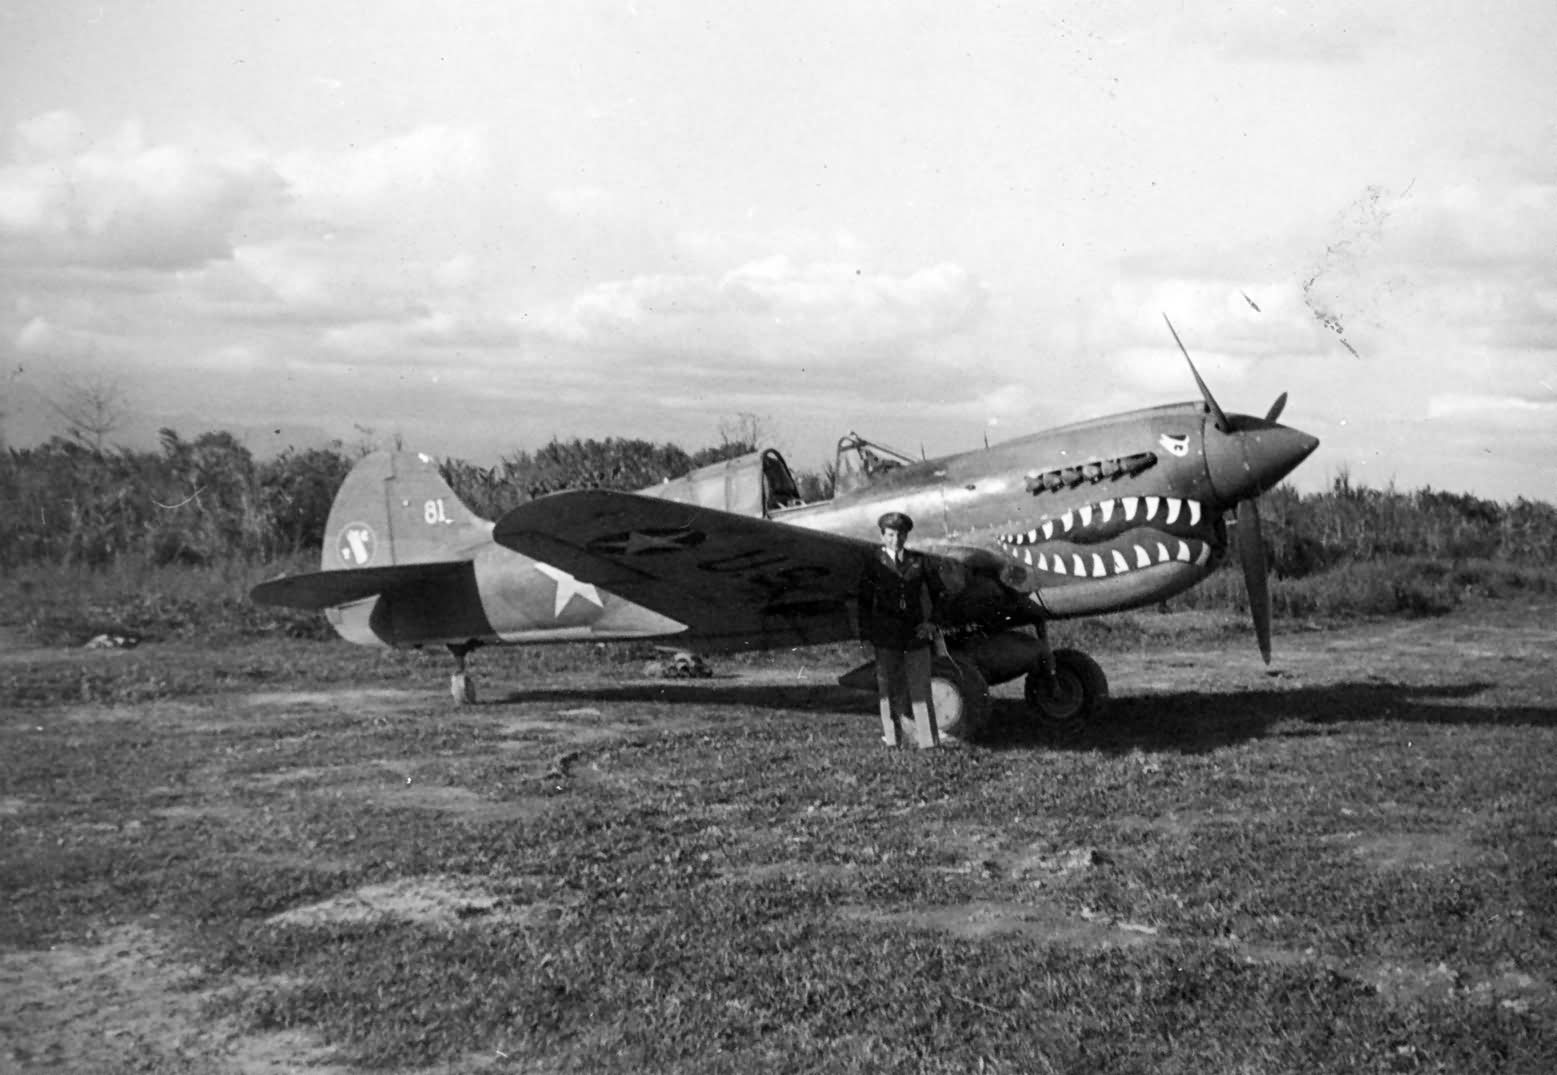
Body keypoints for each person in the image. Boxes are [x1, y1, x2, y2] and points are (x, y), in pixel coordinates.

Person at [857, 511, 946, 748]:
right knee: (888, 690)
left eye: (900, 534)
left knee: (921, 688)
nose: (895, 540)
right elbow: (863, 602)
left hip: (915, 634)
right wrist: (866, 636)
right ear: (882, 535)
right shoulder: (873, 563)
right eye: (890, 534)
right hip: (886, 636)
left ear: (906, 536)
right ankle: (892, 740)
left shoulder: (920, 561)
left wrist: (932, 623)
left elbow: (939, 593)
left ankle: (929, 743)